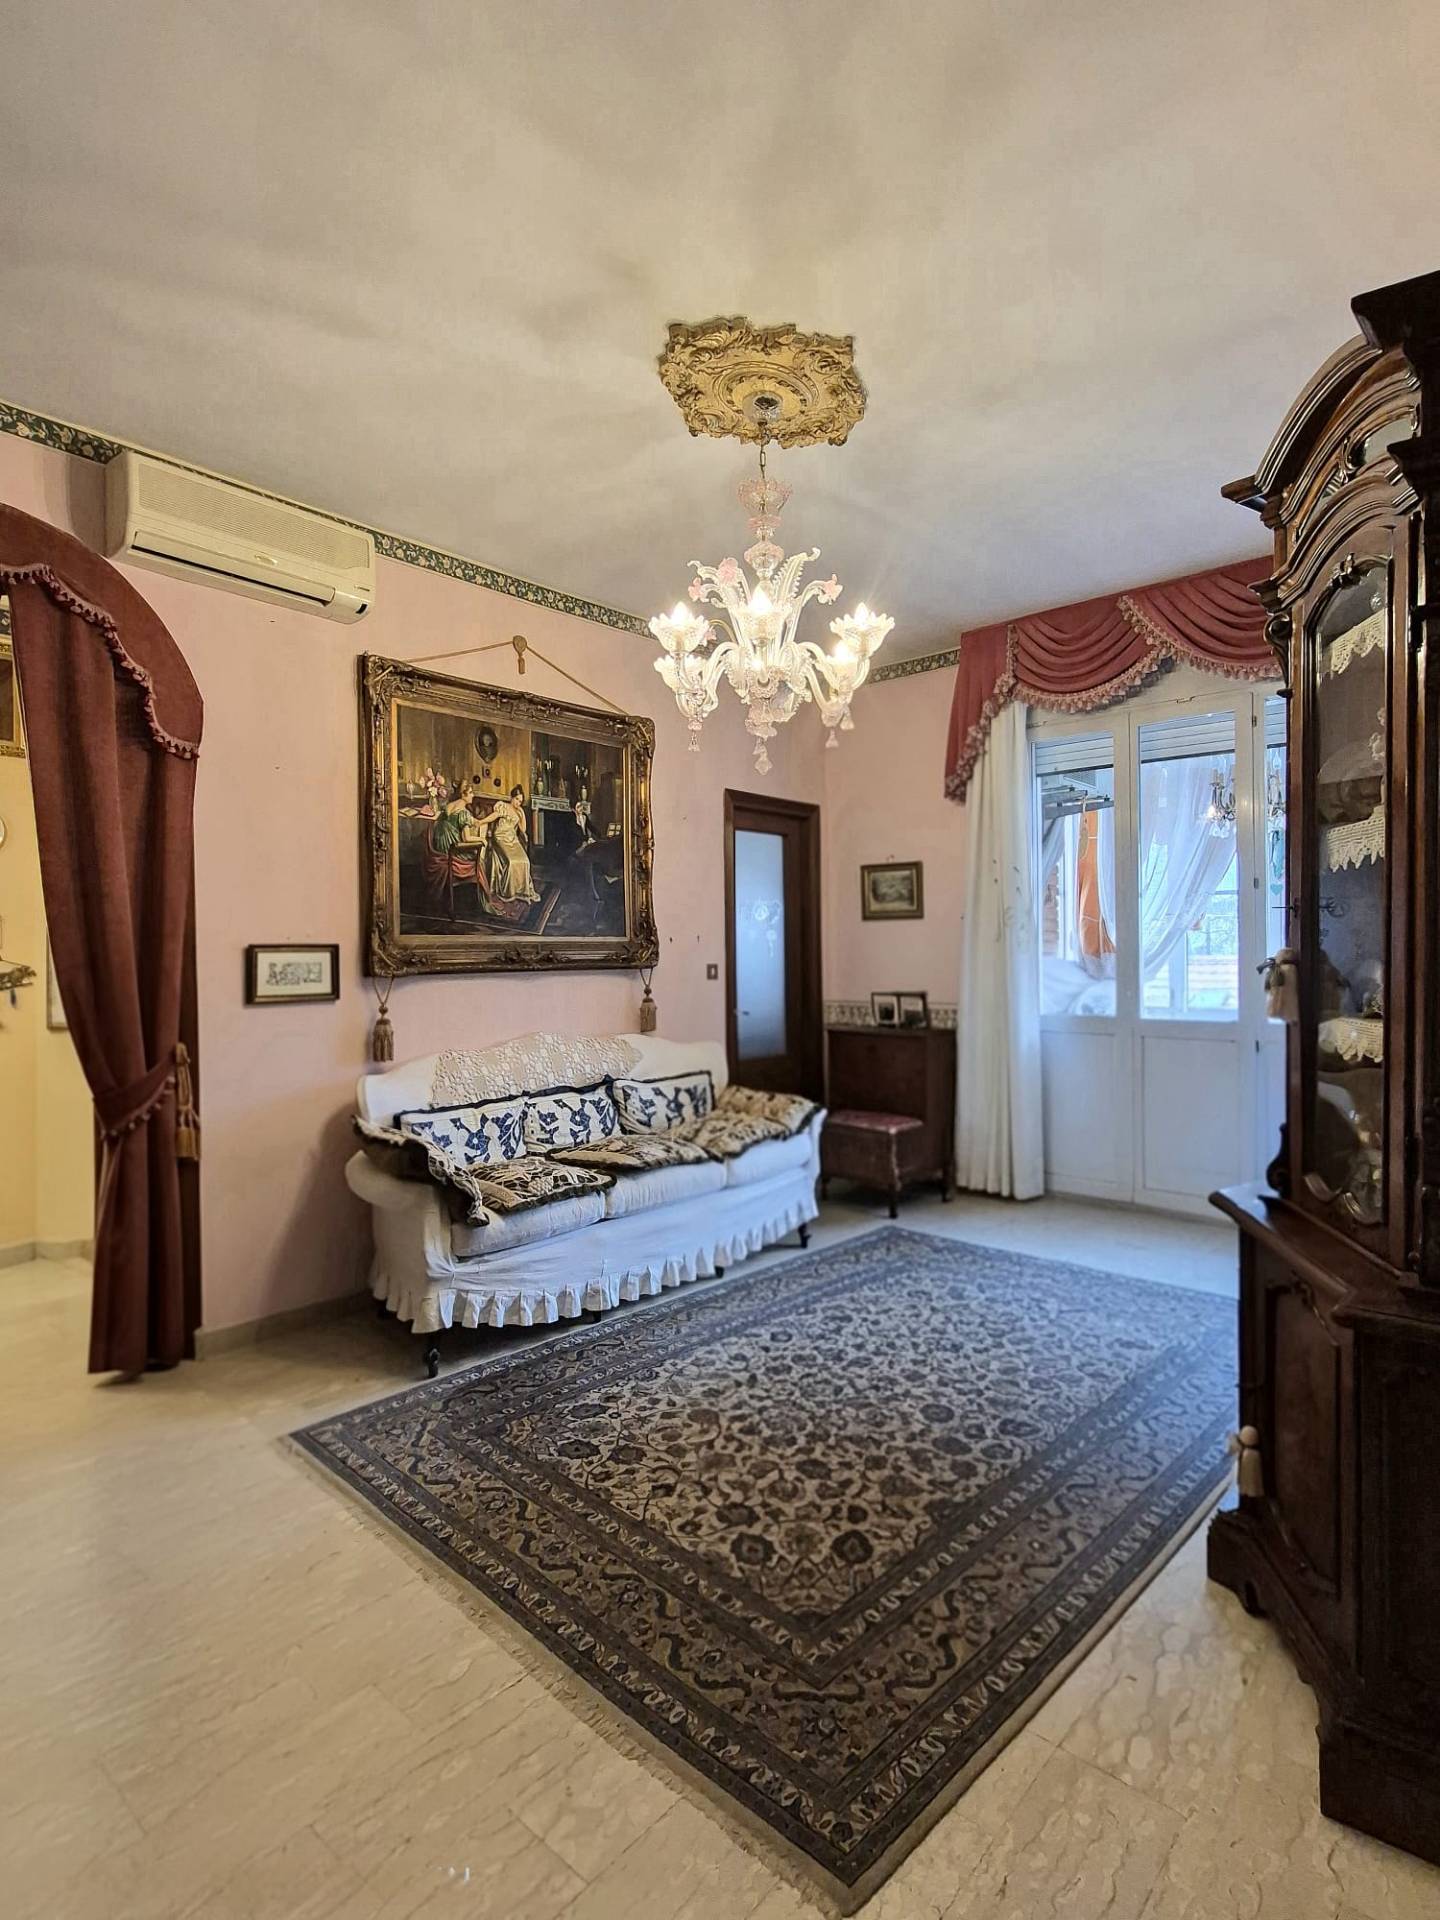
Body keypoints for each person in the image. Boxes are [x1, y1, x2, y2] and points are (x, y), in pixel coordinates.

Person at [471, 785, 540, 904]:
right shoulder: (503, 806)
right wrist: (481, 822)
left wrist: (522, 814)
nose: (518, 803)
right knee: (511, 861)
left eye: (520, 801)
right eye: (517, 799)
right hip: (501, 837)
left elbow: (523, 829)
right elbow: (494, 816)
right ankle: (509, 892)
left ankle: (521, 891)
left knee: (525, 861)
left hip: (513, 839)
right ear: (512, 797)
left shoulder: (519, 811)